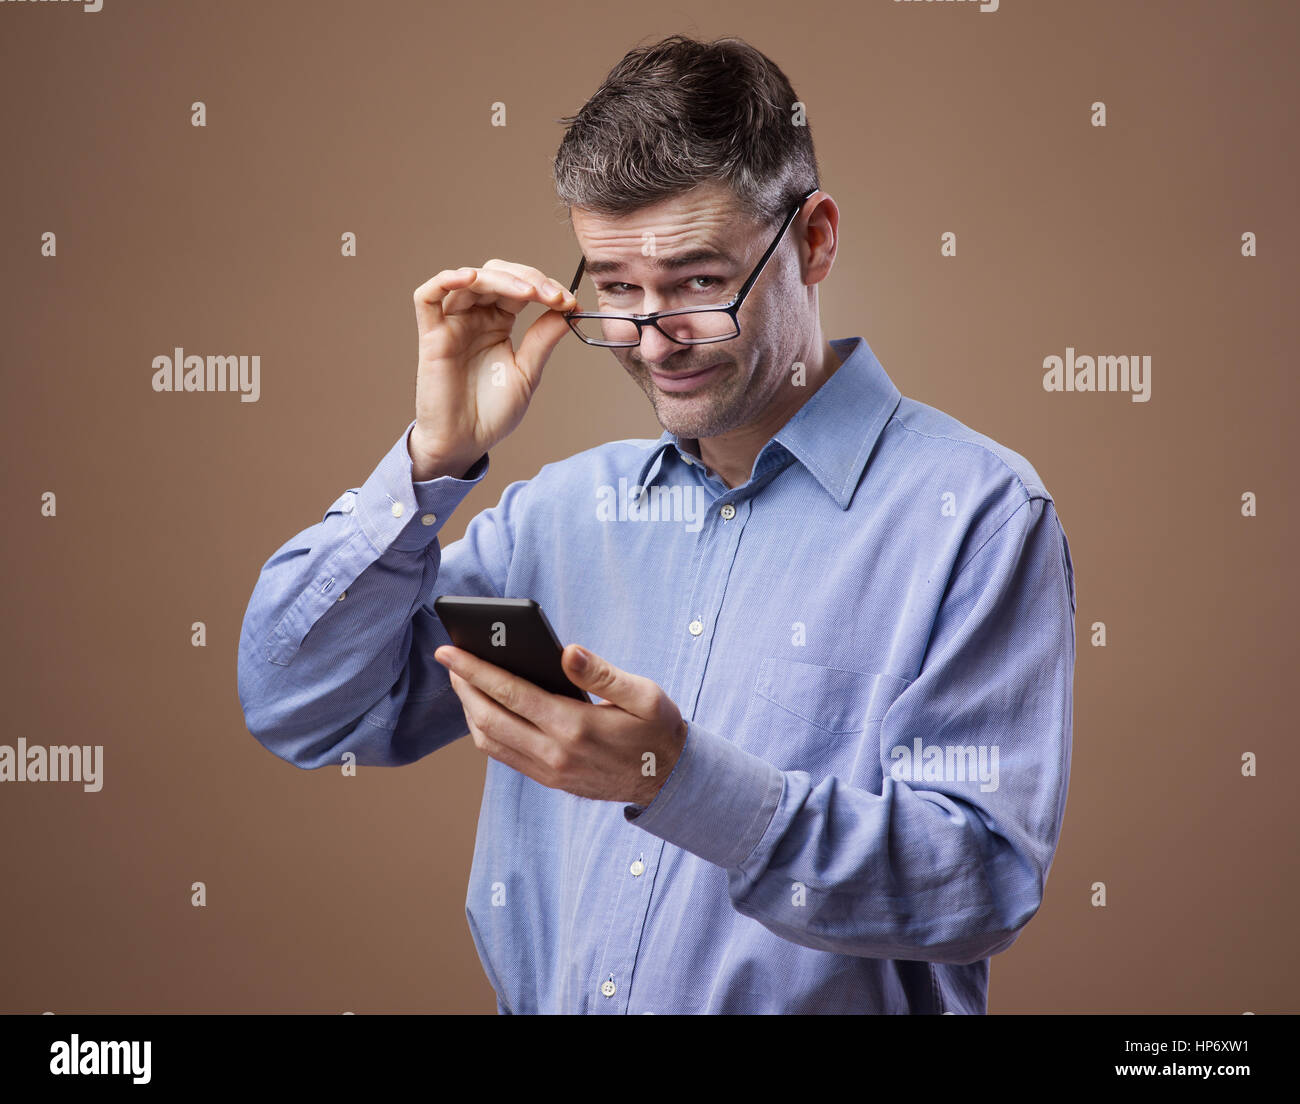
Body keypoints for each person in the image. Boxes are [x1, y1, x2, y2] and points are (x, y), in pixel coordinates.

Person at [237, 33, 1076, 1014]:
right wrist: (429, 463)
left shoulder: (975, 516)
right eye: (617, 289)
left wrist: (680, 781)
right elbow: (303, 708)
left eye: (698, 283)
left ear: (814, 240)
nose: (652, 339)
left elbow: (981, 883)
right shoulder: (554, 519)